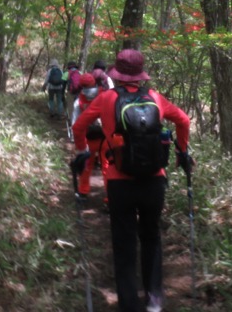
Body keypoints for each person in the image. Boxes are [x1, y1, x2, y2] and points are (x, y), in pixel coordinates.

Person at [71, 49, 192, 312]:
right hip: (154, 181)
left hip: (119, 181)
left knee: (124, 243)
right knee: (151, 237)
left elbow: (79, 126)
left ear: (117, 73)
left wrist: (82, 152)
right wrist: (182, 151)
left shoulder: (106, 98)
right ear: (140, 74)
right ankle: (154, 299)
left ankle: (129, 304)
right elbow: (183, 121)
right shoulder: (155, 98)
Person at [71, 73, 109, 204]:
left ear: (81, 86)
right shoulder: (105, 96)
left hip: (88, 139)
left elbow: (75, 123)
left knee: (86, 165)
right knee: (107, 167)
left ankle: (83, 192)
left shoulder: (79, 101)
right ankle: (110, 197)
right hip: (105, 138)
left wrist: (78, 144)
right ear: (95, 83)